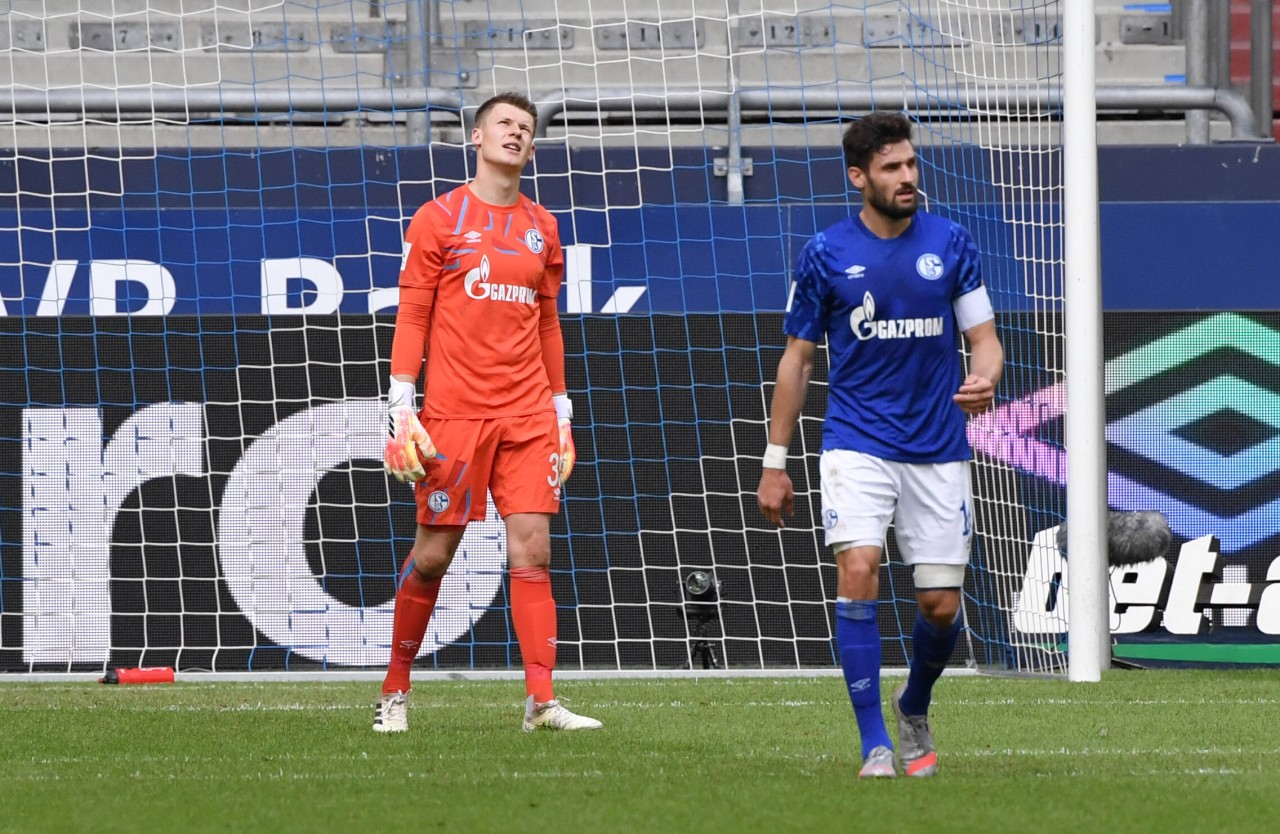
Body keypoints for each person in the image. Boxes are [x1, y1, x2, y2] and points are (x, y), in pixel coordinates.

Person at [756, 111, 1003, 778]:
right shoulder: (825, 253)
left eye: (911, 165)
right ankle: (874, 746)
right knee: (858, 567)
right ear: (858, 176)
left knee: (940, 607)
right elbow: (798, 360)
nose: (907, 178)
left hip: (938, 446)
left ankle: (913, 701)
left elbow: (983, 338)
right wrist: (775, 462)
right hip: (856, 442)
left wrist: (984, 378)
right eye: (892, 168)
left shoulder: (951, 242)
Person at [376, 91, 601, 734]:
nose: (516, 133)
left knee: (533, 551)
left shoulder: (545, 227)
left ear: (532, 146)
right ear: (476, 138)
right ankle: (394, 691)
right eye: (504, 123)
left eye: (526, 128)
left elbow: (549, 324)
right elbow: (413, 314)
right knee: (433, 556)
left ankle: (541, 700)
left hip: (529, 413)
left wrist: (562, 411)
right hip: (455, 414)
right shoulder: (438, 218)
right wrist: (401, 403)